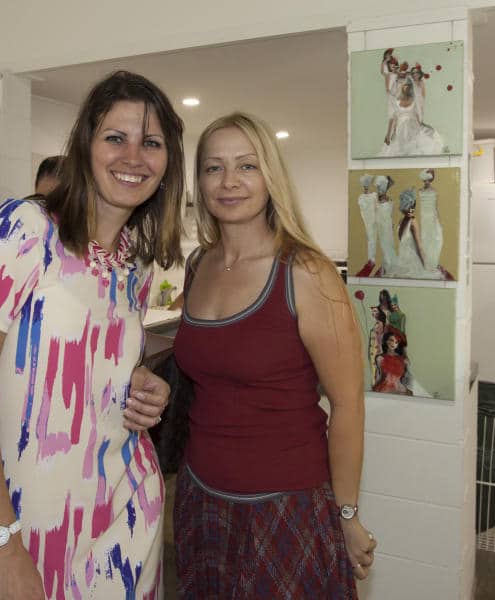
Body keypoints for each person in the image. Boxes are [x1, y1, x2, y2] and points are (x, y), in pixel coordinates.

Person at [0, 70, 185, 600]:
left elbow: (98, 364)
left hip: (128, 515)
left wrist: (143, 383)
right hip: (29, 526)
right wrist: (2, 544)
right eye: (115, 137)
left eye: (151, 143)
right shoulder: (23, 230)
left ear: (168, 164)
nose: (133, 157)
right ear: (85, 146)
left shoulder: (133, 264)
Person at [172, 112, 376, 598]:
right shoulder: (199, 264)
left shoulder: (306, 271)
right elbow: (207, 368)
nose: (229, 182)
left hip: (285, 506)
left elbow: (347, 404)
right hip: (201, 498)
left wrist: (347, 514)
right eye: (214, 167)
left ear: (271, 177)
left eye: (246, 165)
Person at [418, 168, 443, 273]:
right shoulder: (420, 191)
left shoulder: (434, 192)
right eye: (425, 180)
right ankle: (427, 264)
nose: (426, 182)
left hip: (432, 219)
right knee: (425, 240)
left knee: (434, 240)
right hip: (424, 219)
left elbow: (436, 208)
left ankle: (432, 263)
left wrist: (439, 221)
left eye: (428, 180)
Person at [354, 173, 378, 277]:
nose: (366, 187)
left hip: (374, 219)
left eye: (367, 185)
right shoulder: (361, 197)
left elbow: (376, 207)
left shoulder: (374, 196)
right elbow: (362, 210)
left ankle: (372, 260)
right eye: (364, 186)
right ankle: (371, 260)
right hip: (367, 220)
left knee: (373, 238)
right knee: (370, 238)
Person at [374, 175, 396, 276]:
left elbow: (390, 215)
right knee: (385, 247)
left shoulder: (388, 201)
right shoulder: (378, 201)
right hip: (382, 227)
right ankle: (387, 266)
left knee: (388, 246)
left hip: (386, 227)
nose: (379, 191)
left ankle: (389, 266)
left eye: (380, 188)